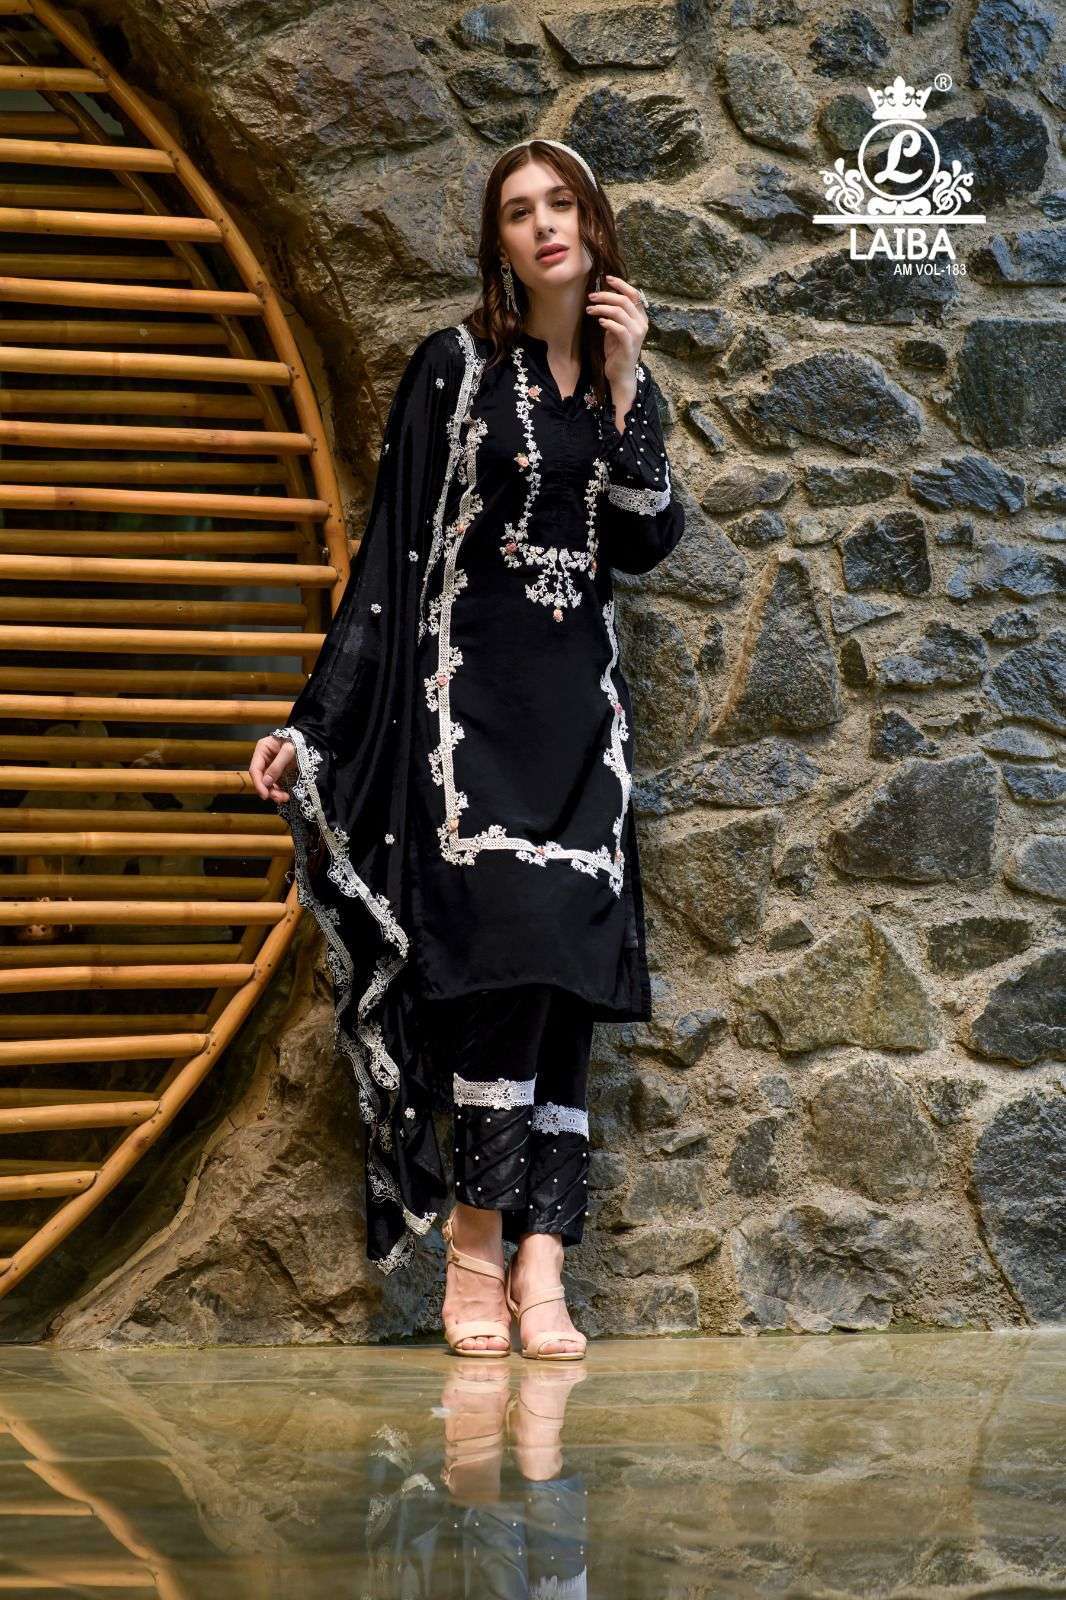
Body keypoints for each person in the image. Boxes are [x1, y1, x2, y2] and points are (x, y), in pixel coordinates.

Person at [248, 137, 685, 1359]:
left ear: (593, 224)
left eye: (561, 204)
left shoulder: (625, 384)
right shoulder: (455, 366)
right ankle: (478, 1248)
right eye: (518, 212)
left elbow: (646, 541)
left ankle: (545, 1266)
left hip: (579, 729)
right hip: (466, 722)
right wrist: (314, 722)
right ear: (497, 244)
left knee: (561, 982)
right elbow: (387, 560)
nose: (544, 225)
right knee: (502, 959)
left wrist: (625, 379)